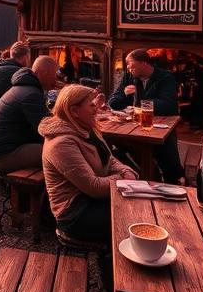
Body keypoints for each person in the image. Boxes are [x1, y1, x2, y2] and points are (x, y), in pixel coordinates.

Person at [40, 84, 138, 243]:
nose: (97, 109)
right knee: (134, 220)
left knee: (141, 207)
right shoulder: (61, 143)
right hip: (75, 212)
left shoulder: (86, 128)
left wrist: (127, 172)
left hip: (93, 199)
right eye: (91, 105)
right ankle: (113, 264)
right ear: (74, 111)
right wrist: (123, 178)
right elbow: (94, 187)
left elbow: (109, 159)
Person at [108, 49, 184, 183]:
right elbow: (113, 103)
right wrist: (125, 94)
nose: (128, 68)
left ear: (144, 63)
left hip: (159, 128)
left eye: (130, 64)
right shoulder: (129, 76)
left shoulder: (165, 78)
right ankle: (144, 177)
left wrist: (140, 103)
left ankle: (172, 182)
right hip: (132, 128)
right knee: (113, 145)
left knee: (168, 160)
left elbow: (168, 106)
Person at [0, 55, 58, 172]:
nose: (56, 80)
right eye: (54, 75)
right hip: (5, 154)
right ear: (44, 73)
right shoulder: (31, 94)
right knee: (60, 151)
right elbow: (48, 129)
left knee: (60, 147)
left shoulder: (25, 88)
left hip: (4, 148)